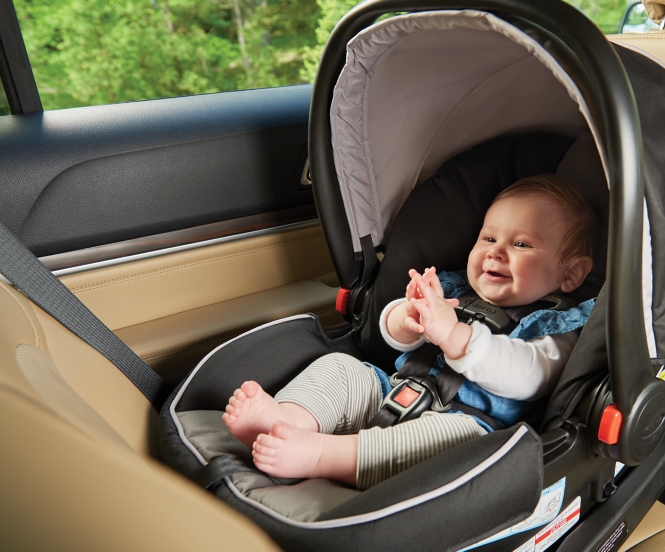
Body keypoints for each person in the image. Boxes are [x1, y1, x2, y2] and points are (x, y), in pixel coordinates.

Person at [221, 174, 598, 489]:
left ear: (570, 274)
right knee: (342, 369)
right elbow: (396, 338)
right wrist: (406, 317)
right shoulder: (452, 290)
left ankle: (321, 455)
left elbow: (526, 376)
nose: (496, 252)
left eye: (521, 244)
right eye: (488, 238)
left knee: (448, 442)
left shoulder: (559, 327)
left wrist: (453, 336)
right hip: (395, 390)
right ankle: (287, 420)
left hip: (467, 427)